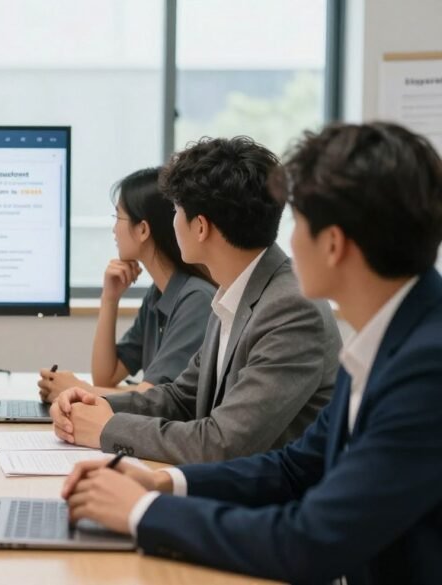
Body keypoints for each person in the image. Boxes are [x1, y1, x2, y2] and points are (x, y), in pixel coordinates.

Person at [61, 122, 442, 585]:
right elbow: (296, 466)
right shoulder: (386, 338)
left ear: (334, 244)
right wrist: (164, 483)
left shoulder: (426, 367)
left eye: (299, 222)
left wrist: (144, 511)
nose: (285, 237)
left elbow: (308, 542)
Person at [50, 136, 341, 464]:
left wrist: (107, 428)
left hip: (267, 506)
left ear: (200, 227)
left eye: (176, 211)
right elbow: (182, 397)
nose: (172, 222)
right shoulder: (233, 290)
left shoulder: (290, 309)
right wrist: (96, 406)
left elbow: (223, 442)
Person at [38, 168, 215, 401]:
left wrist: (74, 389)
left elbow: (149, 399)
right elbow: (106, 376)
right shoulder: (158, 295)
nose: (114, 229)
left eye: (118, 218)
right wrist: (109, 299)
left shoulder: (196, 300)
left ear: (142, 229)